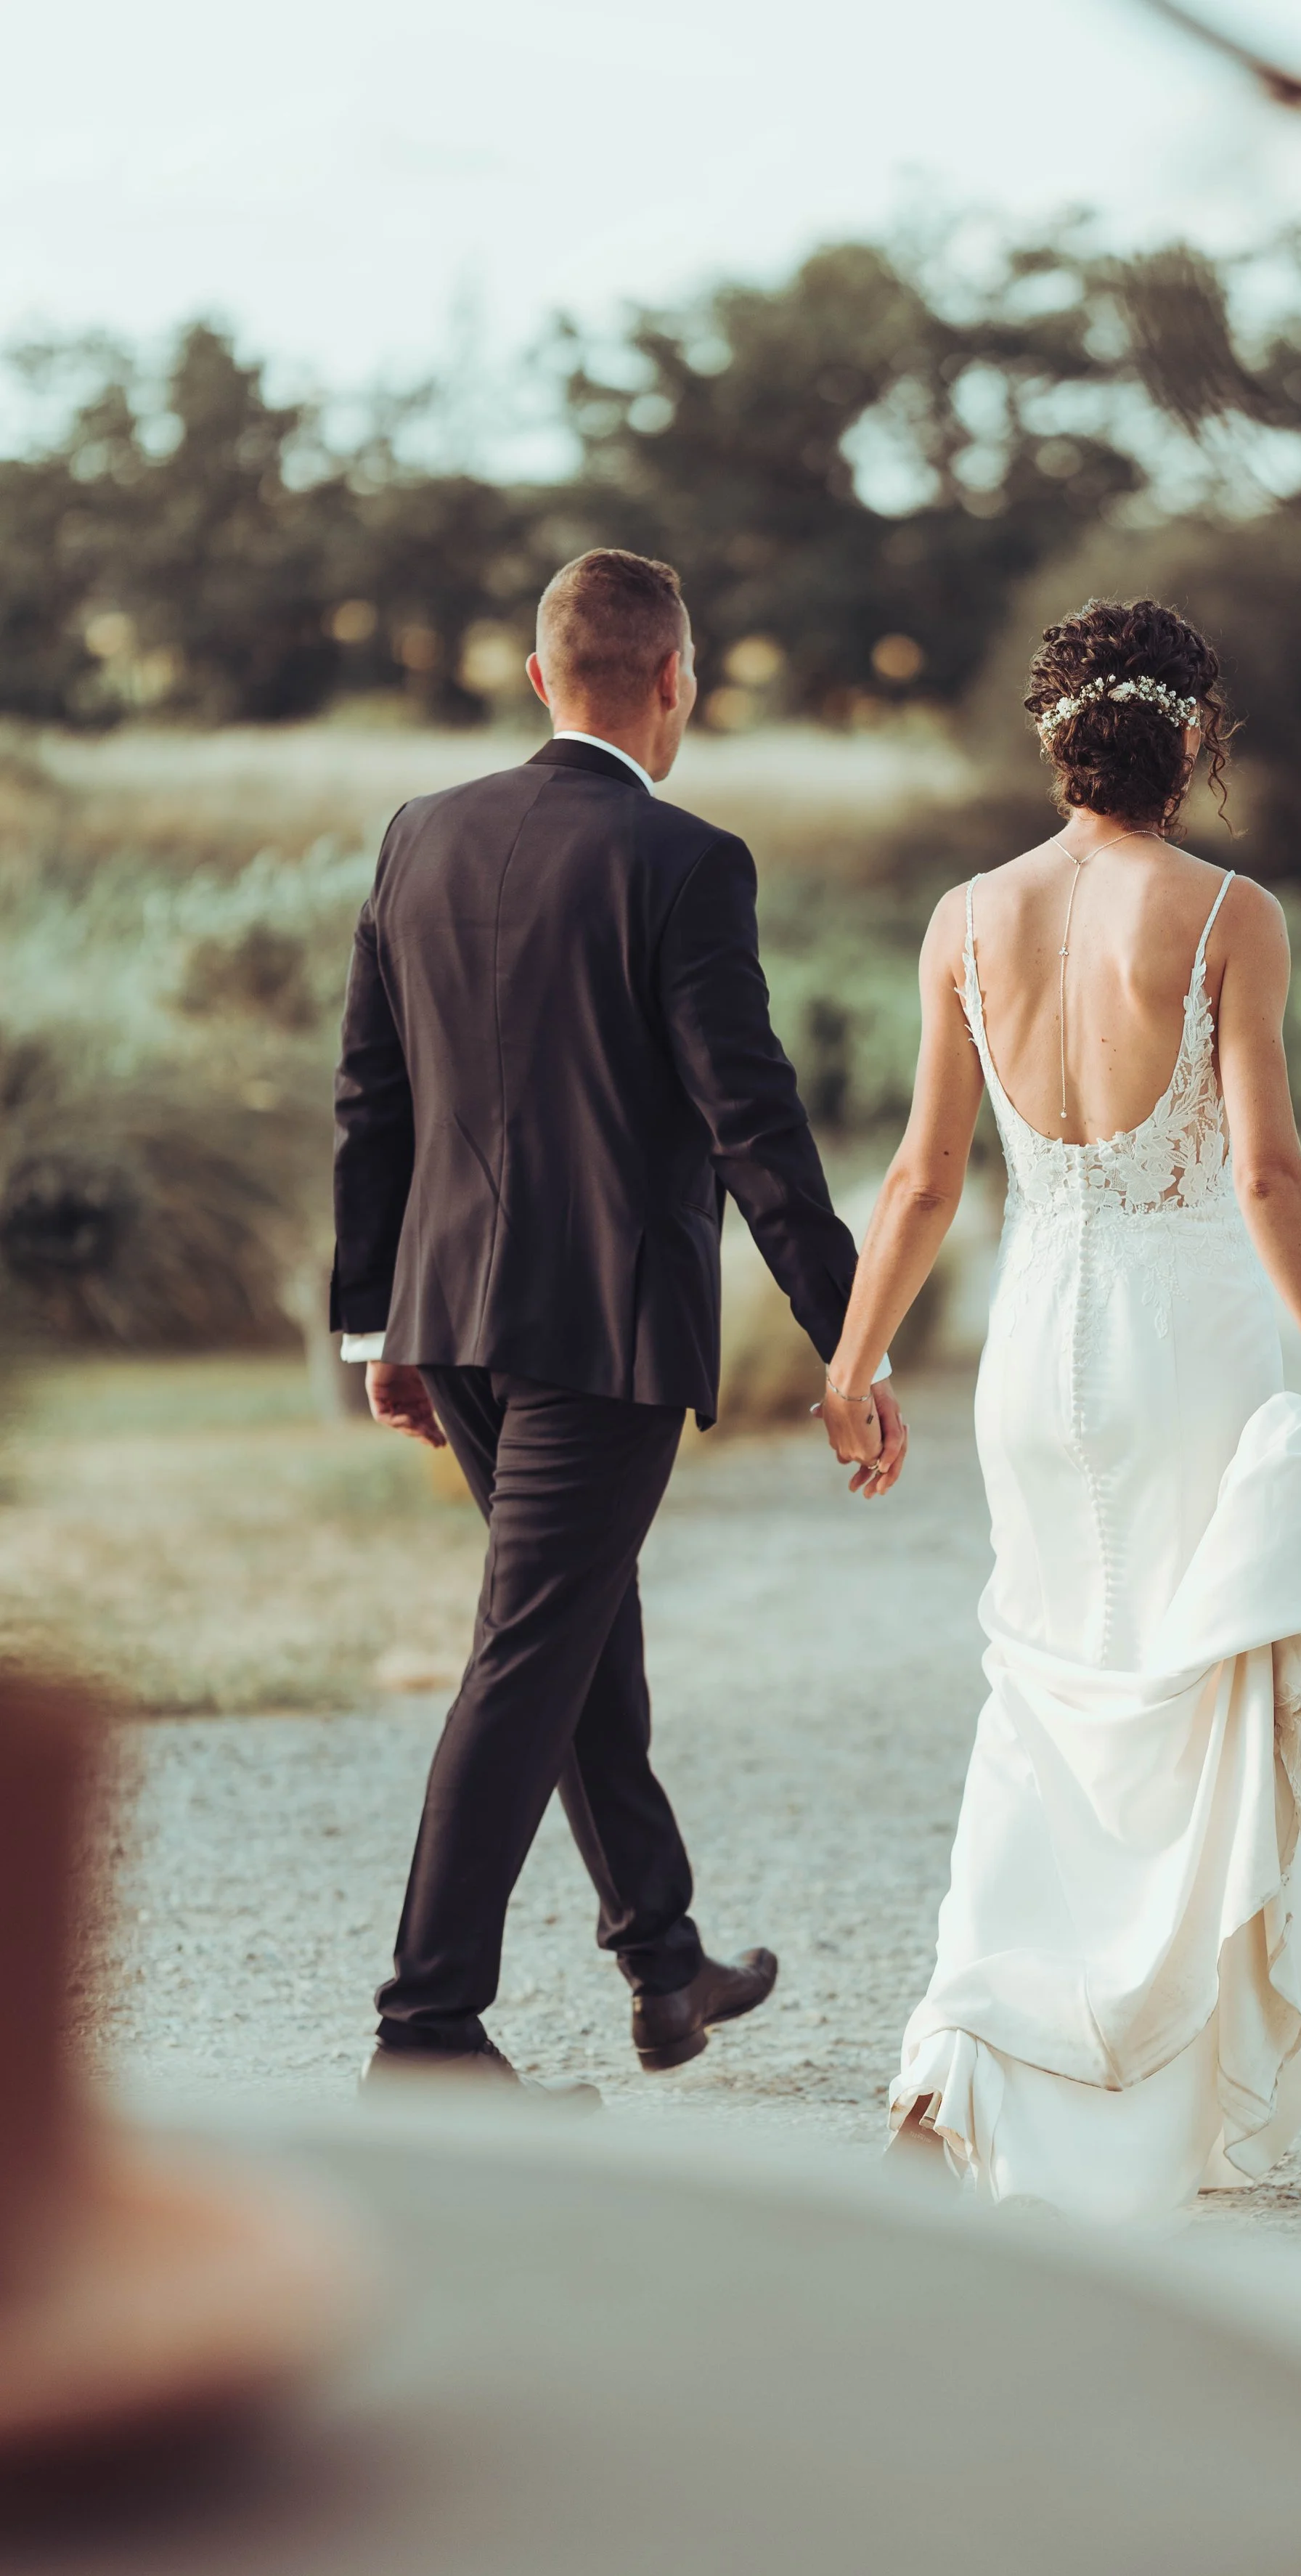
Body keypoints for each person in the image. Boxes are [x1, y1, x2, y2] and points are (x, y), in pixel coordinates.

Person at [818, 597, 1301, 2227]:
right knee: (1180, 1692)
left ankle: (963, 2054)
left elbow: (924, 1178)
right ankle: (1143, 2071)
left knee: (1039, 1691)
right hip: (1188, 1342)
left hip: (1029, 1345)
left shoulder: (966, 915)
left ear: (1050, 735)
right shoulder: (1227, 916)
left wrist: (853, 1365)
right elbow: (1266, 1169)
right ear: (1191, 739)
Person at [331, 547, 904, 2101]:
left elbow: (370, 1098)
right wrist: (849, 1340)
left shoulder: (418, 835)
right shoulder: (686, 861)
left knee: (578, 1626)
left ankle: (663, 1961)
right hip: (597, 1329)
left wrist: (372, 1323)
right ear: (673, 684)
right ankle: (426, 2028)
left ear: (537, 678)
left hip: (451, 1319)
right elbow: (751, 1121)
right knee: (531, 1645)